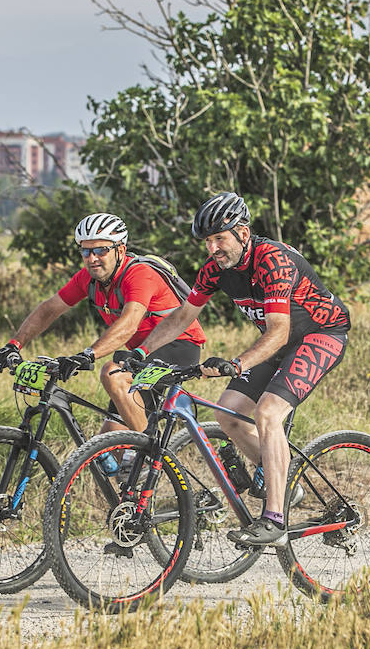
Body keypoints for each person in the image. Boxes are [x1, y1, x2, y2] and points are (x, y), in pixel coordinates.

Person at [137, 192, 351, 545]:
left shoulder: (273, 260)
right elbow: (181, 317)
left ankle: (275, 519)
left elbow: (279, 329)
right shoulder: (215, 270)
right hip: (277, 342)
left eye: (220, 238)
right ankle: (283, 481)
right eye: (208, 241)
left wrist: (237, 363)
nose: (213, 248)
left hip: (320, 335)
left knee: (268, 413)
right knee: (230, 415)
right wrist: (142, 352)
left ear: (243, 233)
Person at [0, 213, 207, 437]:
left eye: (100, 250)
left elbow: (129, 324)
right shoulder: (88, 279)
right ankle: (135, 464)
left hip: (179, 345)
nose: (92, 258)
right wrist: (14, 344)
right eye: (86, 251)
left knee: (111, 373)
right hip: (141, 354)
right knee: (108, 444)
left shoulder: (140, 274)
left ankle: (151, 452)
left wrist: (88, 354)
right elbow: (50, 308)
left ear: (120, 251)